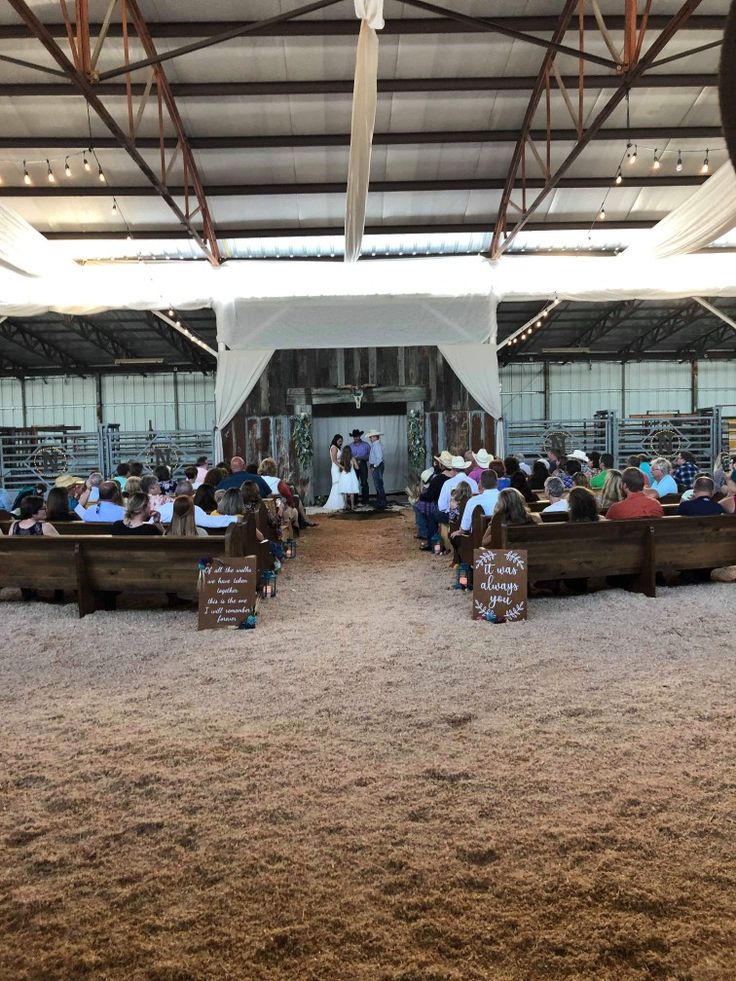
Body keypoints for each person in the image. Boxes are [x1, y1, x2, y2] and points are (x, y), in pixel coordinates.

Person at [156, 481, 241, 528]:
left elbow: (151, 523)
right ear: (193, 494)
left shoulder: (162, 510)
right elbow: (212, 522)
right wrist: (236, 518)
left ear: (175, 493)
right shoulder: (195, 509)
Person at [451, 469, 500, 540]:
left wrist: (458, 532)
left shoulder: (473, 501)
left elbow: (464, 528)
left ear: (481, 483)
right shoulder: (506, 499)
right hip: (501, 538)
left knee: (455, 538)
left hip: (477, 541)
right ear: (497, 482)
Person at [348, 429, 371, 506]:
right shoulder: (350, 446)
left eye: (357, 436)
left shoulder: (366, 445)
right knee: (354, 482)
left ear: (360, 436)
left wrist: (362, 458)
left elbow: (370, 456)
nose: (356, 438)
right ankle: (354, 501)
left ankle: (365, 500)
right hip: (353, 466)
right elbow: (348, 456)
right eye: (354, 437)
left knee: (364, 482)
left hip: (363, 464)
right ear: (353, 437)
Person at [323, 434, 345, 513]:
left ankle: (341, 503)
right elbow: (334, 460)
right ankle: (336, 503)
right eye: (339, 441)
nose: (340, 442)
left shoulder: (337, 448)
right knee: (337, 484)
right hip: (336, 468)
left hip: (338, 466)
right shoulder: (334, 448)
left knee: (340, 484)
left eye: (341, 441)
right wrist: (342, 467)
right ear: (336, 440)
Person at [367, 429, 387, 510]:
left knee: (378, 484)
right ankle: (380, 501)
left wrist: (373, 466)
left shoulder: (377, 445)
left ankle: (381, 503)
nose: (370, 438)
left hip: (377, 466)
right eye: (370, 437)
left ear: (375, 437)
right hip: (377, 465)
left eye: (371, 437)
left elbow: (379, 458)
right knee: (378, 484)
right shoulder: (376, 445)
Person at [338, 444, 360, 510]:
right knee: (351, 491)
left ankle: (346, 505)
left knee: (344, 491)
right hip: (351, 476)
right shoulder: (352, 458)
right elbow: (357, 468)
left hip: (344, 476)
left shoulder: (341, 459)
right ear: (350, 451)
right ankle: (352, 505)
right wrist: (358, 463)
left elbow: (340, 469)